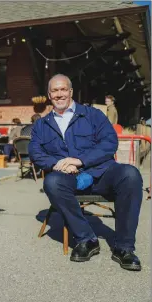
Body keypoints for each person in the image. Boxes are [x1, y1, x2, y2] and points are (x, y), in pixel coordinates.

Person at [29, 74, 143, 271]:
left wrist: (81, 160)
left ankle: (124, 247)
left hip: (101, 172)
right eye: (54, 91)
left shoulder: (92, 114)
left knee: (130, 175)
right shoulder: (41, 124)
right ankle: (86, 238)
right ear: (49, 95)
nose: (59, 94)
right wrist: (59, 163)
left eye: (63, 89)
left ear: (71, 91)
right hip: (68, 177)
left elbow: (109, 142)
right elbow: (35, 152)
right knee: (52, 183)